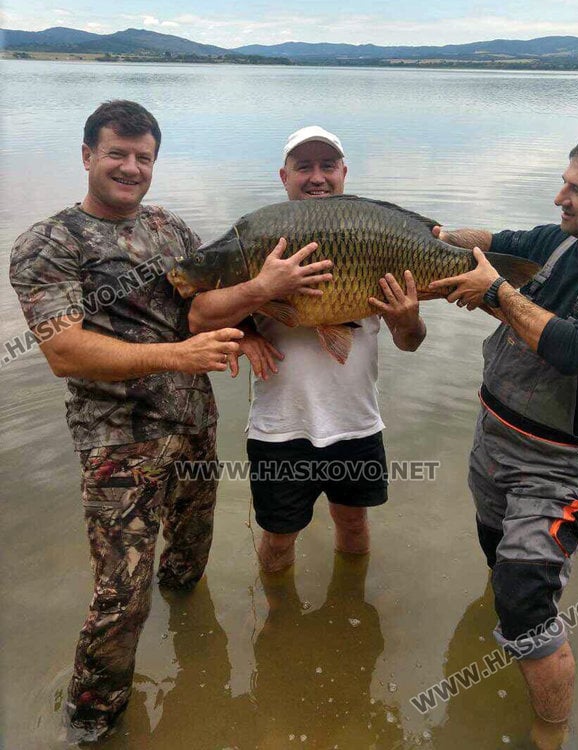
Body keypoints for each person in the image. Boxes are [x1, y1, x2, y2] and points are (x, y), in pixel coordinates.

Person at [8, 101, 331, 742]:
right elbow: (63, 350)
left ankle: (193, 644)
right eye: (117, 154)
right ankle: (95, 721)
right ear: (86, 156)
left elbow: (205, 300)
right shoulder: (48, 243)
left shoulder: (172, 231)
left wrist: (247, 323)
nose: (131, 168)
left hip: (193, 428)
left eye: (143, 157)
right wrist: (177, 356)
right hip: (117, 446)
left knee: (189, 560)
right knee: (119, 594)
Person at [428, 130, 578, 727]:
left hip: (559, 467)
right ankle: (496, 663)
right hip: (492, 444)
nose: (560, 198)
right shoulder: (556, 243)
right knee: (498, 562)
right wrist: (421, 237)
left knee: (525, 602)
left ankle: (548, 734)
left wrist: (496, 292)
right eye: (564, 181)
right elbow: (488, 241)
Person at [189, 125, 427, 572]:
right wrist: (253, 315)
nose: (317, 177)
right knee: (278, 540)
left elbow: (411, 343)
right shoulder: (264, 238)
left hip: (356, 425)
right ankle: (281, 630)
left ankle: (348, 608)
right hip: (280, 431)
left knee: (354, 526)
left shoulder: (370, 232)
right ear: (284, 177)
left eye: (327, 166)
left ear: (343, 173)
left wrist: (408, 320)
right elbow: (199, 316)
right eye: (304, 167)